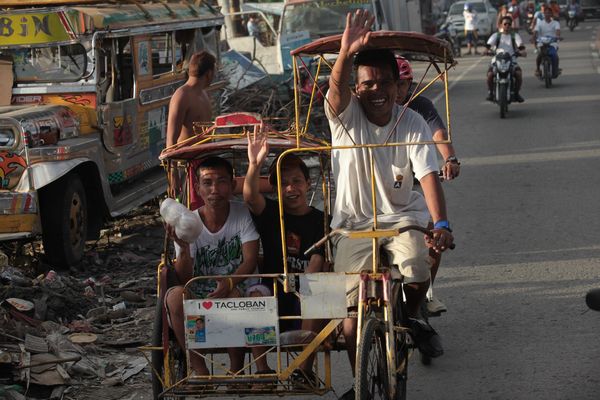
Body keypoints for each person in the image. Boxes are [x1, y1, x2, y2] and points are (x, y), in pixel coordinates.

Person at [325, 10, 454, 399]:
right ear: (357, 88)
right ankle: (361, 381)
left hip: (401, 220)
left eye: (384, 82)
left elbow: (428, 175)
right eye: (367, 83)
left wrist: (442, 223)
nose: (376, 89)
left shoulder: (412, 121)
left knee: (417, 267)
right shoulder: (345, 117)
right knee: (351, 318)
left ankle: (413, 315)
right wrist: (346, 52)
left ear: (398, 86)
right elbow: (335, 90)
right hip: (352, 224)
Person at [244, 130, 326, 385]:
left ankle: (303, 368)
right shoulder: (270, 212)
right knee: (255, 295)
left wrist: (305, 283)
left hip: (303, 289)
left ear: (308, 184)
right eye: (283, 183)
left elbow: (317, 260)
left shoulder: (321, 220)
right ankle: (262, 370)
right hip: (272, 287)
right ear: (276, 188)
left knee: (317, 291)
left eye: (297, 181)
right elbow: (249, 196)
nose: (291, 188)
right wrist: (254, 164)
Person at [164, 156, 260, 375]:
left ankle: (236, 367)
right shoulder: (188, 223)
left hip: (236, 285)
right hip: (200, 290)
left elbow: (250, 259)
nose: (214, 189)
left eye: (222, 181)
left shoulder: (242, 213)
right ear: (198, 188)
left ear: (233, 185)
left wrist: (228, 282)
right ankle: (199, 368)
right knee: (173, 296)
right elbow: (184, 278)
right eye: (207, 183)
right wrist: (184, 248)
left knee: (233, 295)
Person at [395, 56, 460, 315]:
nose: (395, 91)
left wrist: (450, 158)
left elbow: (438, 134)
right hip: (377, 191)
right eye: (392, 83)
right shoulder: (366, 111)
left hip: (413, 184)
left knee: (433, 234)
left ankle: (426, 291)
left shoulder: (418, 108)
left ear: (409, 85)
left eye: (401, 85)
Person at [166, 51, 216, 147]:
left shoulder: (204, 94)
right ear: (209, 73)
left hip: (206, 157)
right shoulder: (181, 96)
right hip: (188, 159)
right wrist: (172, 162)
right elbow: (171, 140)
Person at [485, 15, 527, 103]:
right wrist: (486, 51)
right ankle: (490, 93)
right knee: (490, 75)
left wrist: (522, 52)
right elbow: (488, 46)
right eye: (505, 24)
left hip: (511, 60)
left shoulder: (514, 36)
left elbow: (521, 47)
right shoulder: (496, 35)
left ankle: (516, 93)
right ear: (500, 25)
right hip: (497, 60)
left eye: (509, 24)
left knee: (518, 74)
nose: (507, 25)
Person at [533, 6, 561, 79]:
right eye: (546, 13)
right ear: (544, 14)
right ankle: (538, 69)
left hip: (552, 43)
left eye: (549, 13)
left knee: (554, 55)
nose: (547, 14)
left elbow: (558, 31)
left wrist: (557, 37)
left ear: (551, 14)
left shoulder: (555, 23)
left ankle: (555, 70)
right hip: (542, 43)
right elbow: (535, 32)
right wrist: (533, 38)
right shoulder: (540, 23)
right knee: (539, 56)